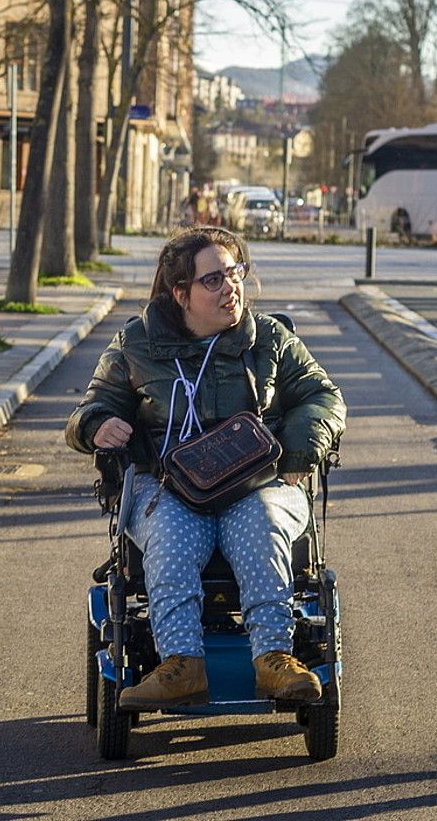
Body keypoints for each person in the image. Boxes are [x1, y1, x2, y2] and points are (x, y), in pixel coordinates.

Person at [65, 226, 346, 710]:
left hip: (259, 483)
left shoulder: (271, 340)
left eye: (234, 273)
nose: (230, 287)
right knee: (171, 535)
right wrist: (98, 425)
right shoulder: (136, 344)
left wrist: (299, 451)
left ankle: (275, 659)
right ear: (181, 293)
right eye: (212, 280)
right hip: (170, 487)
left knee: (262, 524)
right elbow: (91, 408)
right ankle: (180, 665)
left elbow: (323, 396)